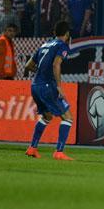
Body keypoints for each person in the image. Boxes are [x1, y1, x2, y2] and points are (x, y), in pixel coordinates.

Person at [23, 21, 74, 161]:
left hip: (35, 86)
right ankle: (59, 152)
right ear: (67, 34)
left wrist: (40, 72)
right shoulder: (62, 45)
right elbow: (56, 64)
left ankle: (32, 148)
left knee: (47, 116)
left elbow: (28, 65)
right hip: (47, 87)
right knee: (68, 117)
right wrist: (59, 86)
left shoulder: (44, 45)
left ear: (54, 33)